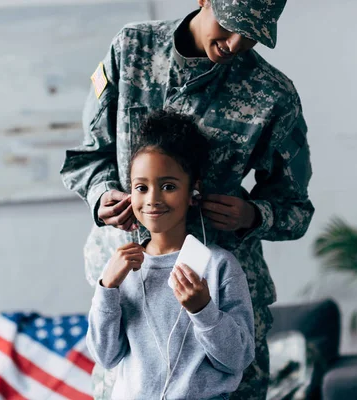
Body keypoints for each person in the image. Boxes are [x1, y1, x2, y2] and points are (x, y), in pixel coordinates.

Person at [60, 0, 314, 398]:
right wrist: (101, 194)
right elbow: (88, 156)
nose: (234, 42)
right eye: (230, 24)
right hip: (133, 300)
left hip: (222, 298)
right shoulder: (131, 50)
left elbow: (296, 208)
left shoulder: (272, 95)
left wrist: (253, 214)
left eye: (251, 34)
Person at [86, 111, 255, 400]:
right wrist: (107, 289)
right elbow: (105, 356)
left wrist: (204, 310)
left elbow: (238, 358)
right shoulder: (121, 269)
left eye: (168, 186)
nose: (152, 198)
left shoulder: (218, 266)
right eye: (141, 187)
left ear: (193, 192)